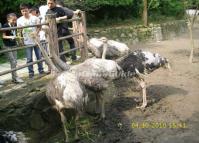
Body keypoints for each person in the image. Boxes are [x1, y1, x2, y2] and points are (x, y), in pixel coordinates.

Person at [17, 4, 45, 79]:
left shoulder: (35, 18)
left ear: (28, 10)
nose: (25, 12)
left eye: (26, 11)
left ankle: (41, 70)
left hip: (36, 40)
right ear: (21, 11)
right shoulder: (19, 20)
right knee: (29, 58)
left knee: (39, 56)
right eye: (23, 11)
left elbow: (39, 26)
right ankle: (31, 73)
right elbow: (19, 31)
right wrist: (20, 40)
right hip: (27, 41)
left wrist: (36, 32)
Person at [2, 13, 24, 83]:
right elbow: (3, 36)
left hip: (14, 45)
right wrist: (11, 37)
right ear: (8, 19)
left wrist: (19, 40)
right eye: (13, 20)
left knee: (15, 61)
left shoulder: (14, 25)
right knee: (13, 61)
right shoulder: (5, 25)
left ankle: (14, 77)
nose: (15, 21)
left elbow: (16, 33)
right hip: (7, 46)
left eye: (15, 20)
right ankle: (15, 77)